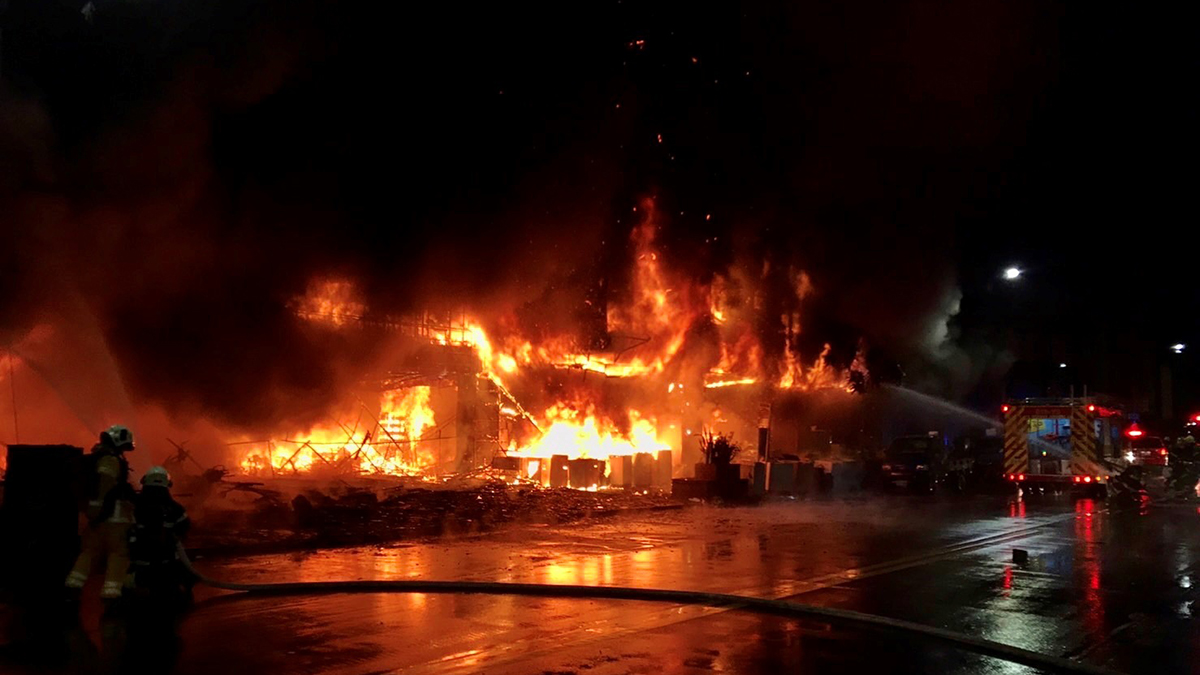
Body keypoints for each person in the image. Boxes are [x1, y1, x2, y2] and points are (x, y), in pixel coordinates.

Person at [65, 425, 138, 602]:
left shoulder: (98, 458)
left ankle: (72, 586)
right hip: (114, 518)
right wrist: (102, 509)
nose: (124, 451)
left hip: (98, 518)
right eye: (124, 446)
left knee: (89, 552)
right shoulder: (110, 460)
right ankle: (111, 594)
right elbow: (106, 485)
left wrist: (94, 512)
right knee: (118, 555)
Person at [126, 466, 194, 605]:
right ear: (167, 485)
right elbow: (184, 527)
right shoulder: (175, 508)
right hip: (166, 566)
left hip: (138, 566)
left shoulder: (134, 505)